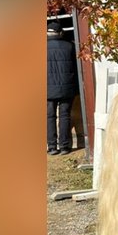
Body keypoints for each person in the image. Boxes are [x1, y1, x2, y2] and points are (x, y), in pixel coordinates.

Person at [47, 20, 79, 155]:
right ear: (60, 33)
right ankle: (65, 146)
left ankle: (52, 147)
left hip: (47, 88)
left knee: (49, 116)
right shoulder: (70, 47)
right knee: (65, 116)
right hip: (67, 87)